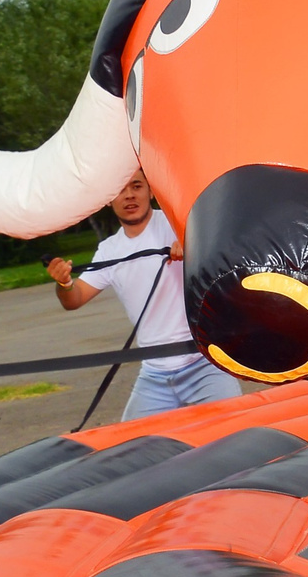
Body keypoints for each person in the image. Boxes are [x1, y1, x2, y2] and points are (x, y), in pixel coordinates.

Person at [47, 170, 241, 419]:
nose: (129, 195)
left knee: (236, 428)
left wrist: (194, 245)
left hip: (203, 363)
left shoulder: (178, 223)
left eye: (136, 186)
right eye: (120, 189)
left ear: (151, 191)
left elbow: (227, 252)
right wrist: (64, 284)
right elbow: (74, 299)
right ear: (108, 200)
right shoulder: (109, 250)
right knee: (132, 440)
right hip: (154, 374)